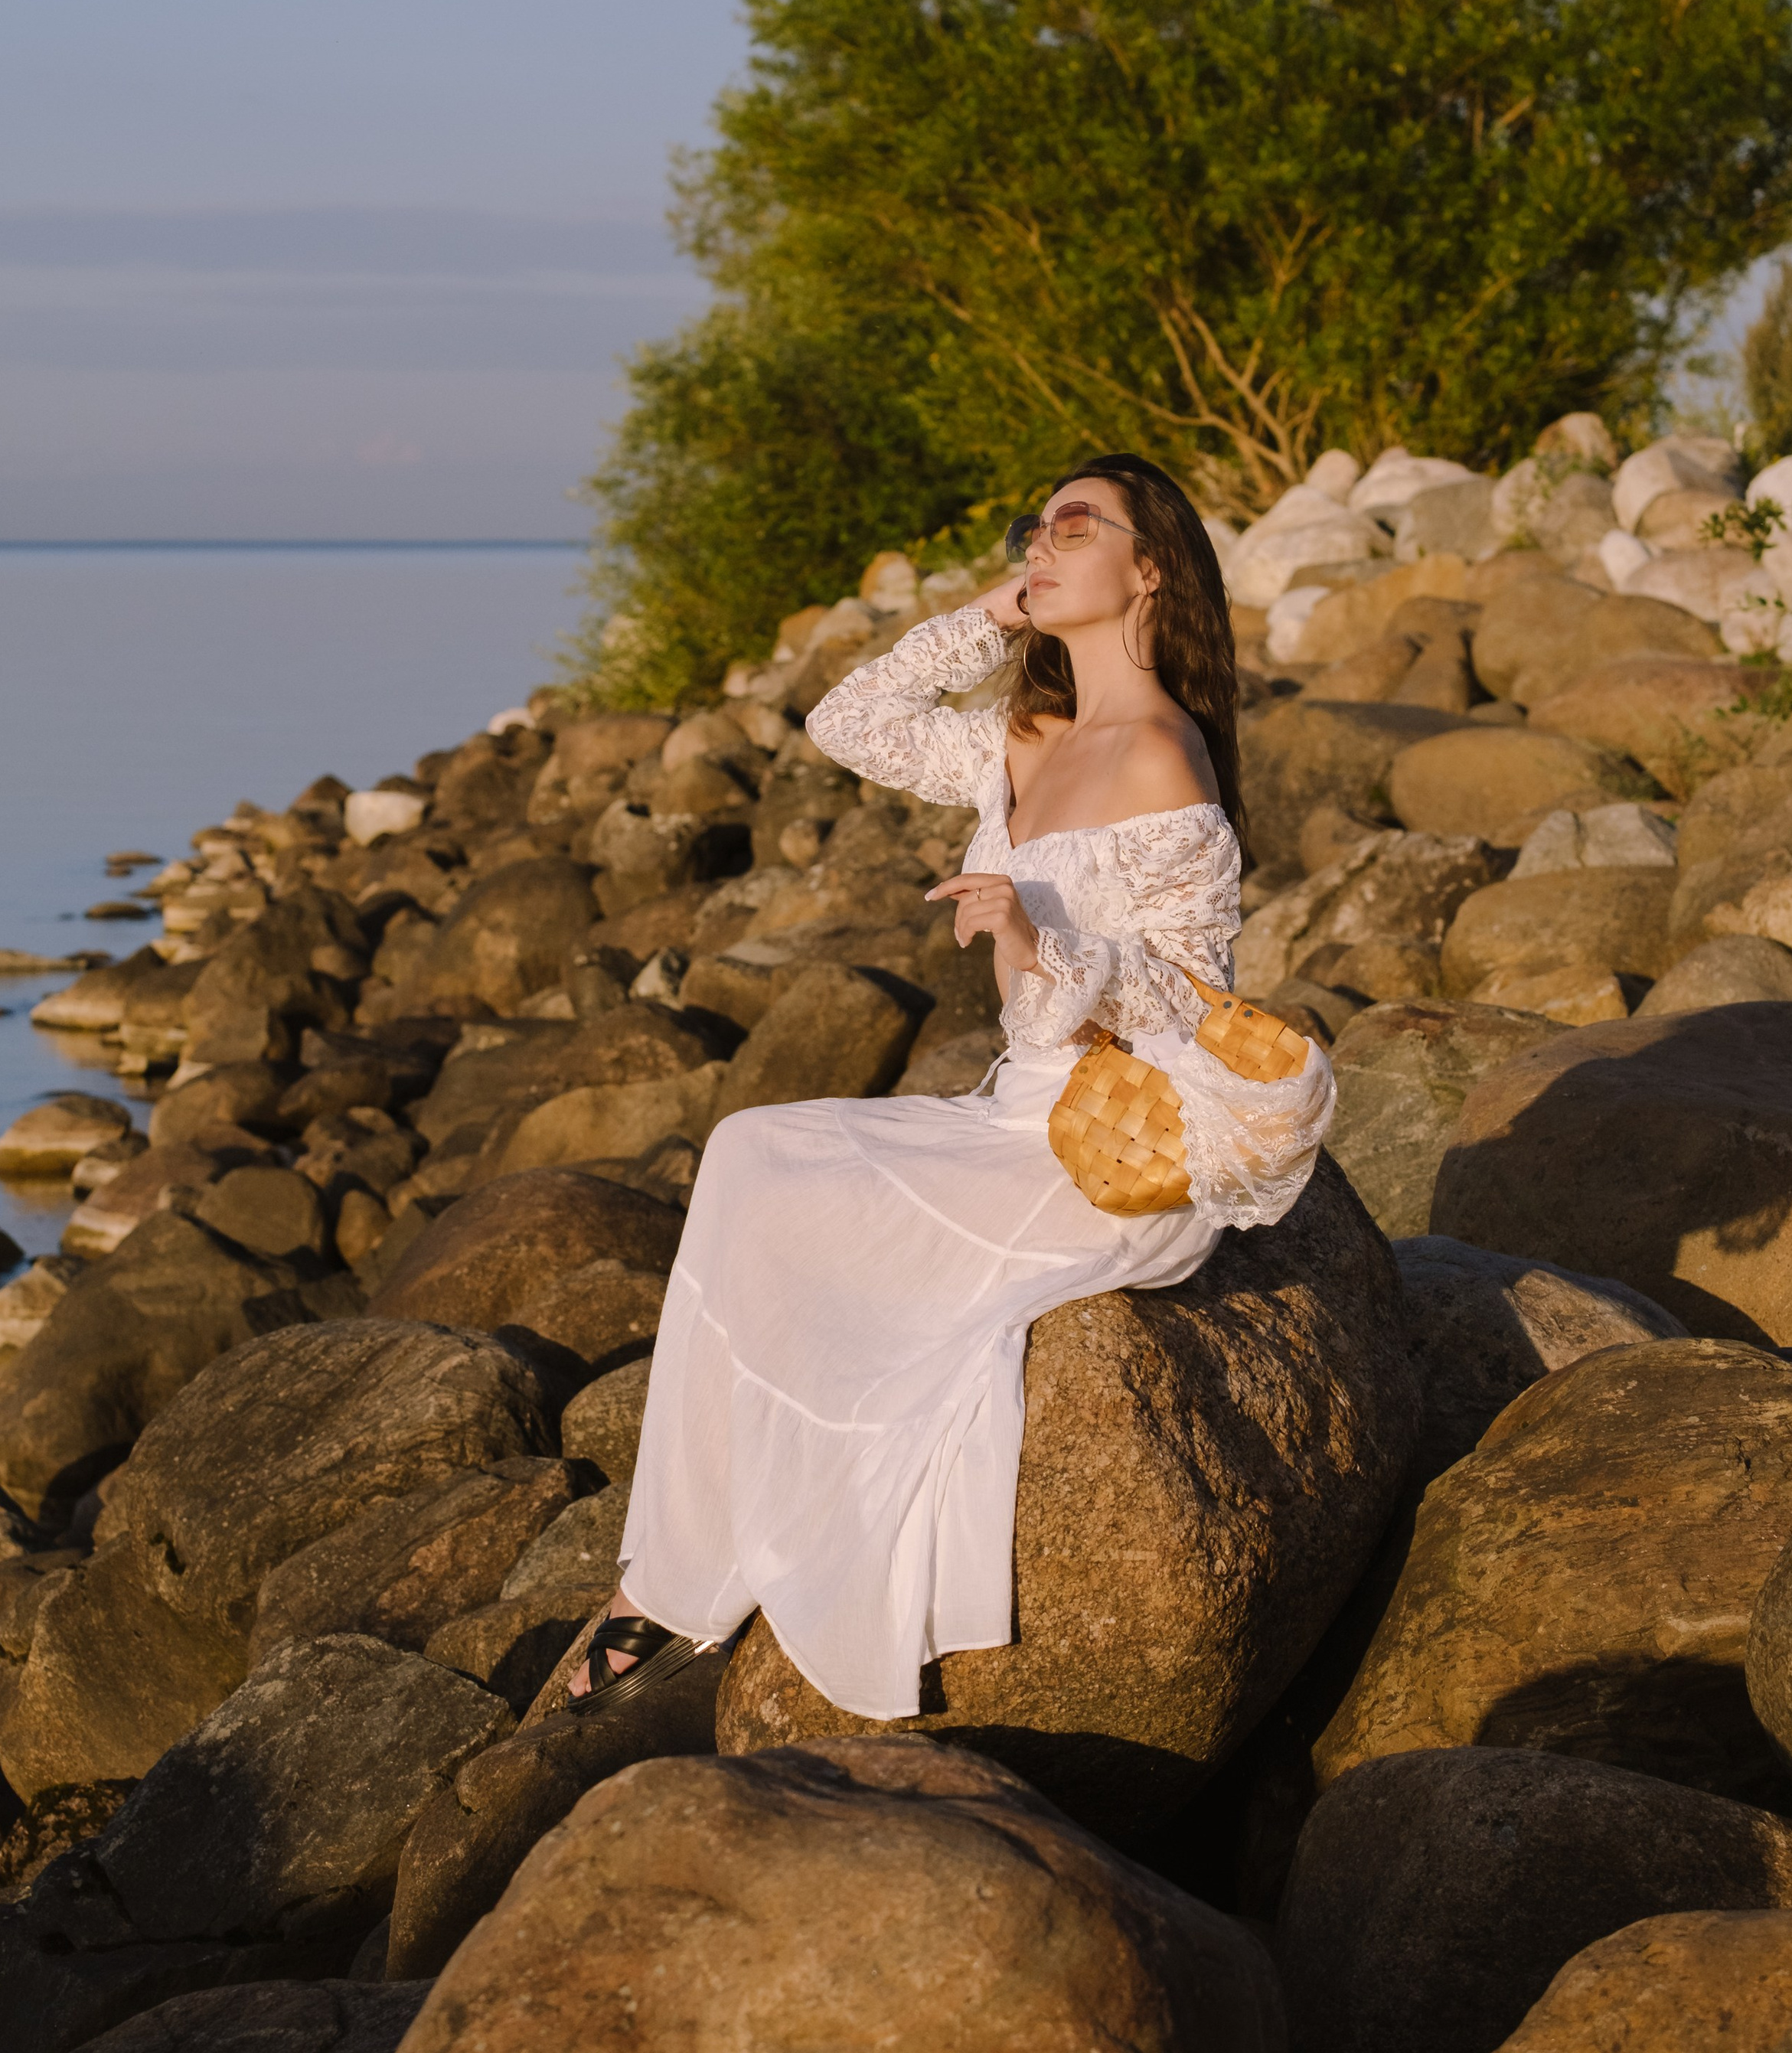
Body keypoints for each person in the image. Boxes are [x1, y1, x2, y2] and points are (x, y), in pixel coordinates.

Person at [565, 452, 1335, 1721]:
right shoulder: (1024, 735)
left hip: (1099, 1144)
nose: (1041, 543)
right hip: (1006, 1109)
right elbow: (845, 723)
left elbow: (1197, 1003)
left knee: (773, 1179)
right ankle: (674, 1570)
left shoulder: (1161, 757)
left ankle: (683, 1590)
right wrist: (993, 615)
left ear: (1152, 571)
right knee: (755, 1149)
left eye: (1075, 528)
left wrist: (1046, 947)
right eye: (1035, 528)